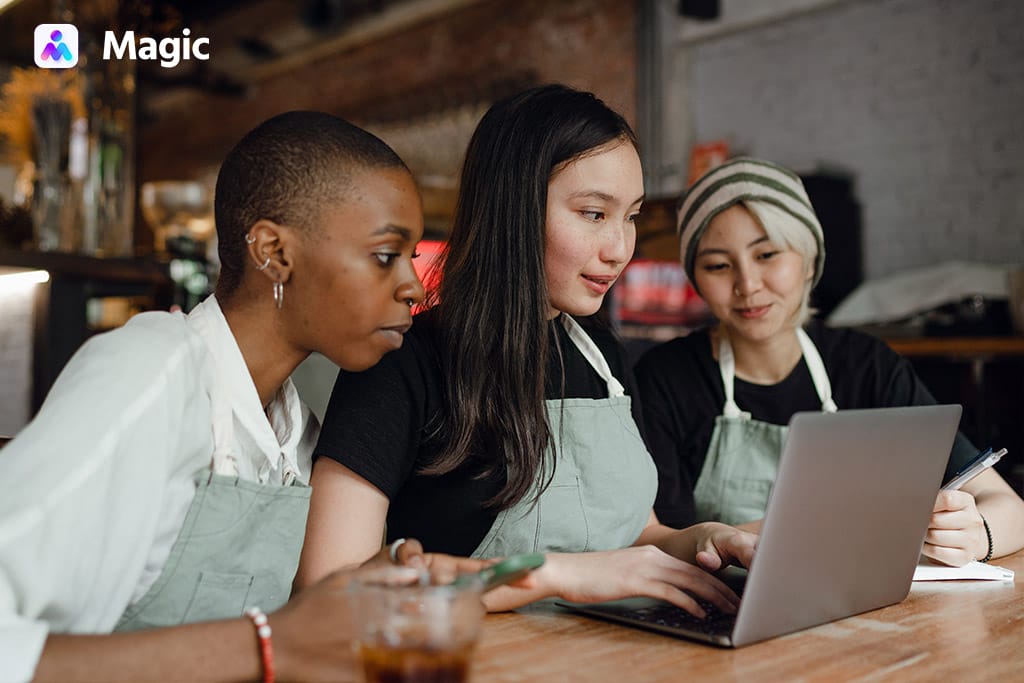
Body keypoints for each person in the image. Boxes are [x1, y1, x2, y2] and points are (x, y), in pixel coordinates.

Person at [0, 111, 486, 683]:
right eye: (385, 256)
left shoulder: (291, 430)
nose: (411, 285)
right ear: (274, 253)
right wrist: (275, 642)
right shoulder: (150, 373)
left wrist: (358, 596)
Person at [297, 84, 756, 616]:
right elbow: (330, 591)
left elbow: (637, 533)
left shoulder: (600, 353)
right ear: (512, 208)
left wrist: (702, 540)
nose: (619, 249)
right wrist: (552, 575)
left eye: (630, 216)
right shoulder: (402, 365)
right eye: (592, 214)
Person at [634, 156, 1024, 566]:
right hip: (725, 606)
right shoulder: (664, 379)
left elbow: (1010, 508)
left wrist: (977, 535)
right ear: (696, 280)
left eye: (767, 255)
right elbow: (663, 542)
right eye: (717, 265)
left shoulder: (867, 365)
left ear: (808, 260)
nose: (747, 285)